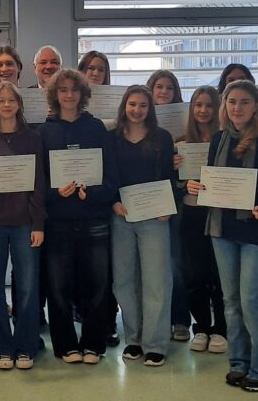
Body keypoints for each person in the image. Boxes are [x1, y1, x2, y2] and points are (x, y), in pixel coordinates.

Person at [187, 79, 258, 392]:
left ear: (256, 105)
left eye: (244, 102)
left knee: (250, 301)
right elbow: (213, 182)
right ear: (224, 106)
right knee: (230, 301)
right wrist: (196, 186)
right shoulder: (219, 138)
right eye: (231, 102)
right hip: (222, 229)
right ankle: (239, 363)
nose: (237, 108)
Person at [38, 69, 118, 364]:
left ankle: (94, 343)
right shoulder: (44, 132)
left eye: (74, 90)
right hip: (57, 220)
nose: (69, 95)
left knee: (97, 285)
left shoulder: (96, 127)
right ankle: (65, 345)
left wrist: (93, 194)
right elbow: (38, 182)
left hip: (94, 218)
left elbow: (111, 175)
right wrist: (56, 192)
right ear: (54, 95)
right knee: (58, 286)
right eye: (63, 90)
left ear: (83, 94)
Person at [0, 82, 47, 370]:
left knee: (28, 287)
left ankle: (26, 345)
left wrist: (38, 223)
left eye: (11, 100)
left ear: (19, 104)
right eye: (1, 101)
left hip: (24, 222)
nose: (6, 105)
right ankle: (2, 346)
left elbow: (39, 183)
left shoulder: (32, 138)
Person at [110, 85, 175, 366]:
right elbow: (106, 173)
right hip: (121, 215)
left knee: (156, 280)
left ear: (151, 109)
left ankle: (156, 343)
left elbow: (170, 176)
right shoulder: (111, 137)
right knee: (124, 280)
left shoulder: (162, 137)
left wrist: (168, 208)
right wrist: (112, 202)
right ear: (124, 106)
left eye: (143, 106)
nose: (137, 110)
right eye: (132, 104)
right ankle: (133, 339)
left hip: (155, 217)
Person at [177, 86, 228, 354]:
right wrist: (183, 182)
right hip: (193, 214)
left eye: (209, 105)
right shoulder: (182, 144)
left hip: (220, 213)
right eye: (198, 104)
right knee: (196, 274)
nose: (203, 110)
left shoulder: (228, 140)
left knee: (220, 275)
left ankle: (221, 328)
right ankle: (202, 328)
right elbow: (173, 184)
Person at [146, 69, 191, 342]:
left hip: (174, 202)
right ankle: (153, 321)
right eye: (158, 87)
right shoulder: (138, 124)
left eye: (169, 88)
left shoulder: (186, 128)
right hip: (145, 202)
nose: (163, 92)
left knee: (175, 263)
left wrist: (180, 162)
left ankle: (180, 319)